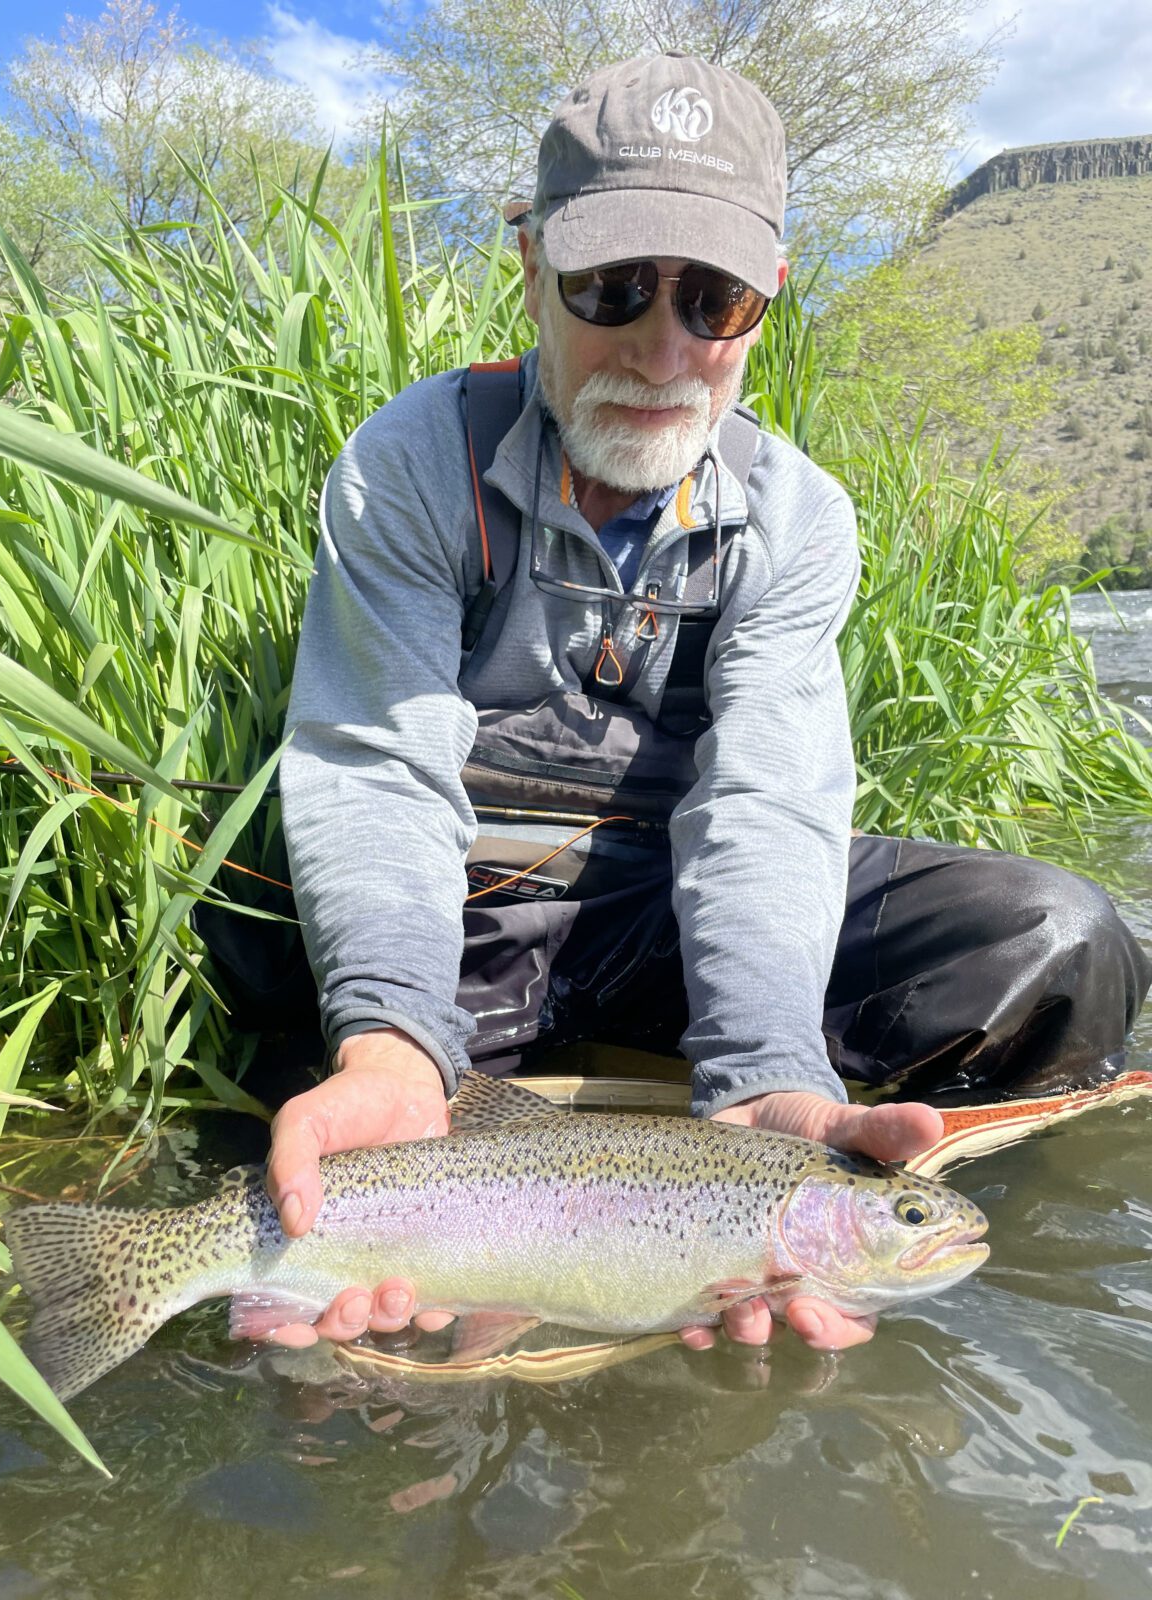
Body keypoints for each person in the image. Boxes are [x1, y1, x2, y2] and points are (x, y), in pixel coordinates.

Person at [262, 53, 1151, 1356]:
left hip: (661, 923)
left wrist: (770, 1072)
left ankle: (820, 1198)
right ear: (531, 265)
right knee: (372, 1355)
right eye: (614, 286)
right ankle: (435, 1129)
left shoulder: (796, 520)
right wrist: (392, 1036)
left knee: (1061, 944)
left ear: (770, 295)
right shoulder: (412, 465)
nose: (664, 346)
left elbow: (766, 810)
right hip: (454, 924)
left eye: (714, 297)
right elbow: (379, 765)